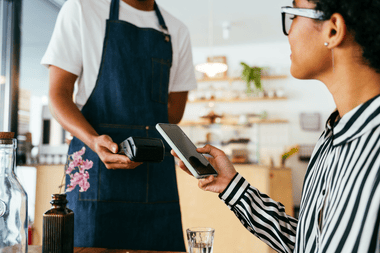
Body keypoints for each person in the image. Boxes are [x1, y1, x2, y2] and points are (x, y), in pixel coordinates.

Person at [174, 0, 380, 252]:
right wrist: (231, 186)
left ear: (333, 30)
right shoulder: (330, 138)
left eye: (293, 15)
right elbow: (309, 244)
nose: (289, 31)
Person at [41, 0, 197, 251]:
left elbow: (174, 112)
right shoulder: (81, 8)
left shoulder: (176, 30)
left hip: (154, 177)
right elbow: (58, 94)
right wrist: (93, 140)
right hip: (95, 169)